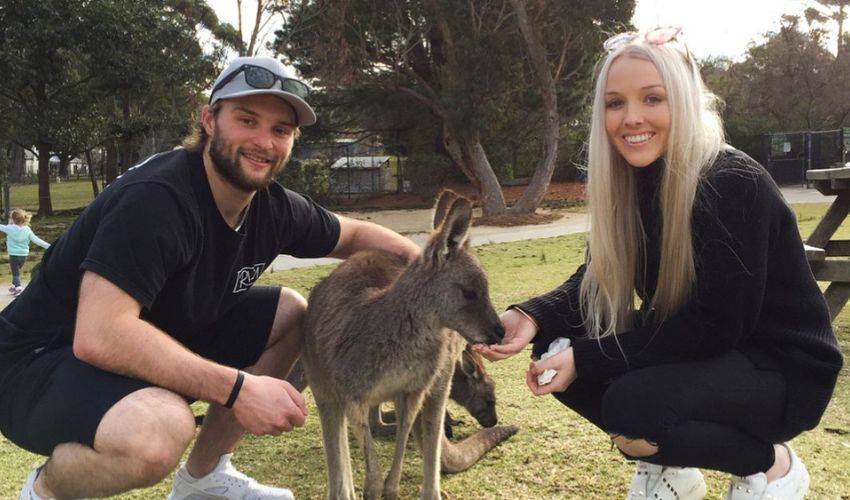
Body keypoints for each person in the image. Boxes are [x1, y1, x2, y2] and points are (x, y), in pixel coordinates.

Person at [0, 56, 421, 500]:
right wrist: (240, 390)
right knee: (160, 430)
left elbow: (354, 234)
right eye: (247, 120)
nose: (264, 141)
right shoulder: (157, 200)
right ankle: (43, 493)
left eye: (281, 130)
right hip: (35, 365)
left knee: (293, 311)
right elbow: (99, 334)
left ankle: (202, 480)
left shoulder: (271, 207)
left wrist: (435, 277)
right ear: (209, 119)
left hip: (137, 339)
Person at [474, 27, 843, 500]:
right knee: (554, 347)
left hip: (779, 370)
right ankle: (671, 467)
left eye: (653, 99)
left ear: (685, 101)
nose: (631, 118)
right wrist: (529, 316)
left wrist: (587, 358)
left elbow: (713, 327)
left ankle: (773, 468)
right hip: (709, 356)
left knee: (631, 404)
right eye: (615, 103)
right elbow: (599, 279)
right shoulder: (632, 182)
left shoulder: (731, 182)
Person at [0, 208, 50, 295]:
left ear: (12, 219)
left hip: (14, 255)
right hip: (24, 255)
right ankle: (14, 285)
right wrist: (49, 246)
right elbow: (36, 240)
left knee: (15, 272)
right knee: (16, 271)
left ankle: (18, 287)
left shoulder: (9, 228)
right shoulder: (27, 229)